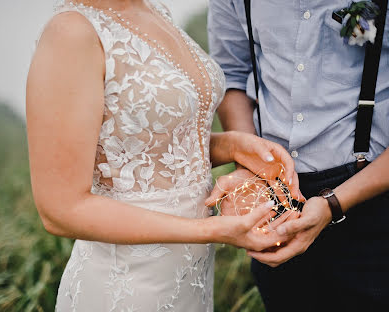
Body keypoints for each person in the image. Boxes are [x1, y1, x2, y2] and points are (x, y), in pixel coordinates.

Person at [26, 0, 301, 310]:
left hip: (189, 283)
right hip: (126, 288)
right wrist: (207, 230)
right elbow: (60, 208)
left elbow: (144, 146)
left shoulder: (154, 11)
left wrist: (232, 145)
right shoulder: (71, 32)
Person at [208, 0, 389, 311]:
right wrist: (250, 169)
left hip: (381, 197)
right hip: (275, 197)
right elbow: (231, 76)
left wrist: (332, 205)